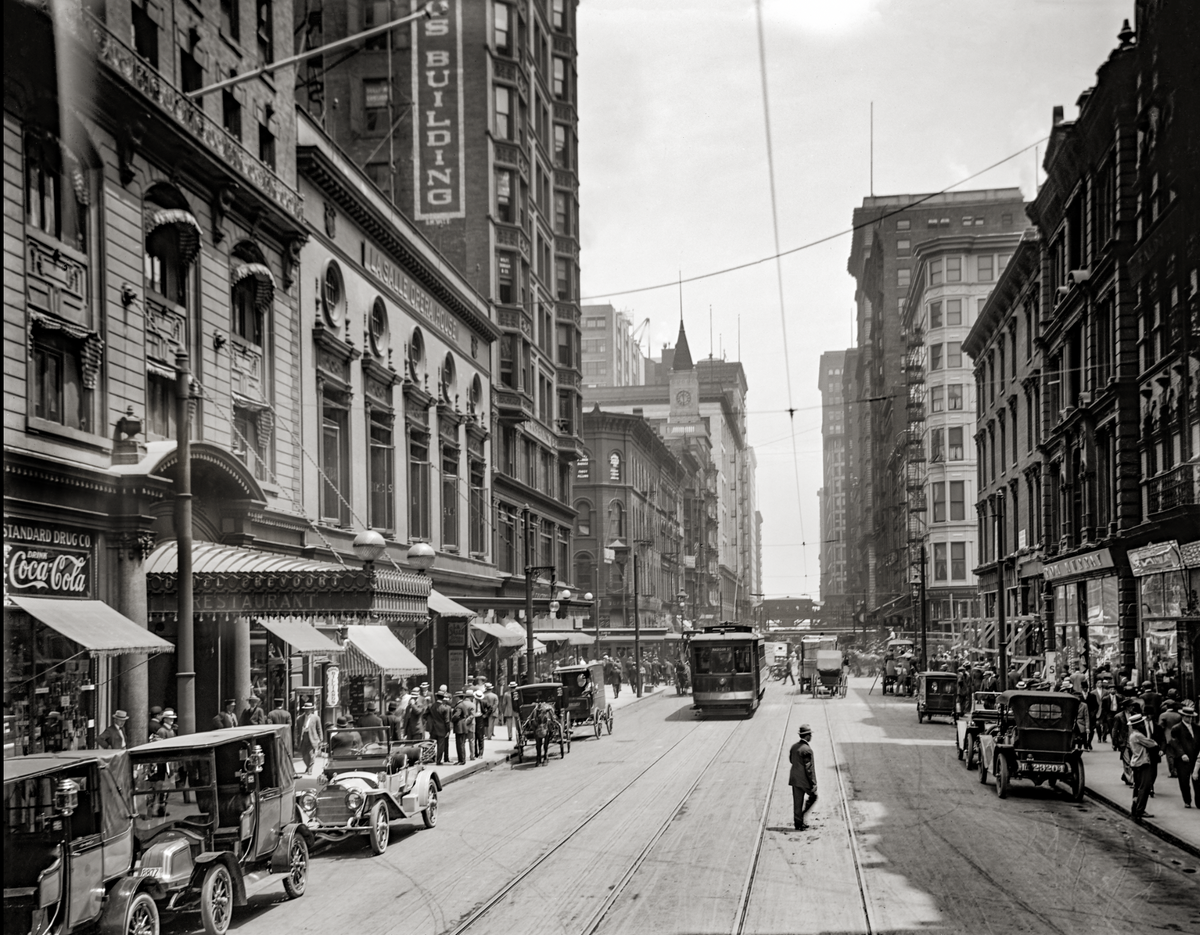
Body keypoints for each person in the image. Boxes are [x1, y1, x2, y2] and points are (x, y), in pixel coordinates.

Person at [1166, 703, 1199, 808]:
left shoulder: (1197, 728)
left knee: (1197, 780)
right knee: (1184, 782)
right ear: (1183, 716)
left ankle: (1199, 802)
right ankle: (1187, 801)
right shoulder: (1177, 728)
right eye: (1187, 717)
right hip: (1183, 759)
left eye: (1191, 717)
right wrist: (1182, 754)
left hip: (1195, 757)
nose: (1189, 719)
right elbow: (1175, 743)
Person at [1127, 712, 1158, 820]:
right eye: (1142, 723)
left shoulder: (1132, 735)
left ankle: (1134, 808)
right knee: (1144, 788)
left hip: (1135, 763)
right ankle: (1140, 810)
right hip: (1142, 763)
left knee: (1137, 787)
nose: (1143, 724)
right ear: (1138, 724)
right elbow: (1153, 744)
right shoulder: (1139, 735)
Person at [788, 724, 818, 831]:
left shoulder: (794, 747)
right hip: (804, 780)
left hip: (794, 779)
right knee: (813, 796)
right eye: (810, 735)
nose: (811, 737)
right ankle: (803, 815)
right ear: (807, 736)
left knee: (797, 802)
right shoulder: (807, 750)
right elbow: (809, 769)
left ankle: (798, 823)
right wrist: (813, 783)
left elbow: (791, 760)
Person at [1158, 700, 1183, 778]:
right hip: (1178, 737)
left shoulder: (1163, 715)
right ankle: (1178, 770)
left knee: (1170, 755)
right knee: (1177, 754)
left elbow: (1160, 727)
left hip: (1167, 737)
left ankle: (1173, 771)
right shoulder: (1178, 715)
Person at [427, 691, 452, 765]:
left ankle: (430, 758)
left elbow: (425, 715)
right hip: (442, 729)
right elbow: (447, 721)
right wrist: (448, 730)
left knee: (432, 744)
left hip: (433, 728)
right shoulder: (445, 708)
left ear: (437, 697)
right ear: (443, 698)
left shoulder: (431, 706)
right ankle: (438, 760)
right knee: (440, 745)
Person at [452, 690, 476, 766]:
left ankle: (461, 760)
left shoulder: (459, 706)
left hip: (460, 726)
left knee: (460, 744)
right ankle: (462, 759)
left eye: (456, 697)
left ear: (459, 698)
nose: (455, 699)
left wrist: (451, 719)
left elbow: (456, 715)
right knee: (461, 744)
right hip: (463, 725)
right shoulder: (463, 704)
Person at [298, 702, 323, 769]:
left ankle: (310, 768)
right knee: (304, 754)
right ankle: (308, 766)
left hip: (312, 738)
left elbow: (319, 729)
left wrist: (320, 738)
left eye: (308, 709)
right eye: (306, 709)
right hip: (303, 737)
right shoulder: (300, 718)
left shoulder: (316, 718)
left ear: (311, 710)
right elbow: (297, 729)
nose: (307, 711)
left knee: (311, 754)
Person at [472, 689, 487, 758]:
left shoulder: (483, 702)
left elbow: (490, 708)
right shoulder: (472, 702)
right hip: (473, 718)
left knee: (480, 737)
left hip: (480, 718)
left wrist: (485, 715)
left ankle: (481, 753)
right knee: (474, 737)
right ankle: (475, 753)